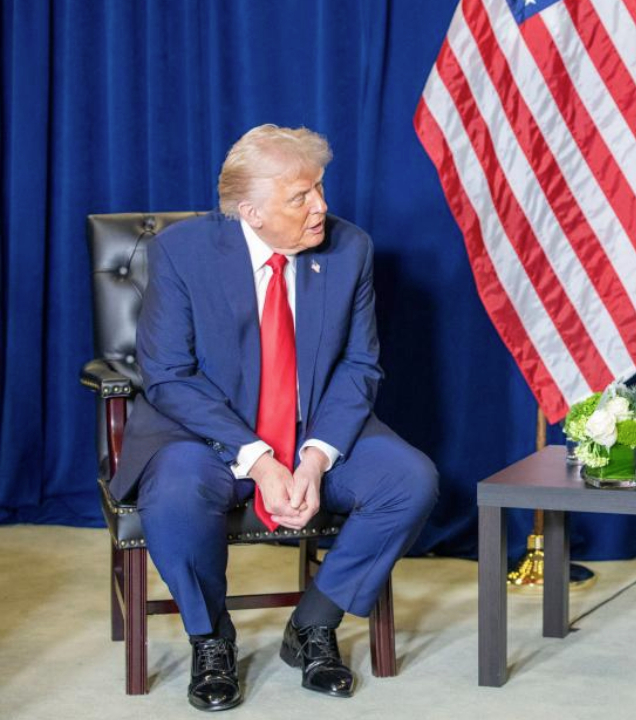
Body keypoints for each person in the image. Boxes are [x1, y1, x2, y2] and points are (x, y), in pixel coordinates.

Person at [111, 125, 439, 711]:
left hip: (312, 423)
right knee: (177, 494)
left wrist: (314, 457)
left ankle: (314, 623)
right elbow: (168, 376)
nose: (322, 207)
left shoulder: (349, 248)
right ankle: (210, 638)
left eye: (318, 188)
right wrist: (259, 460)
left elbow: (360, 365)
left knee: (409, 479)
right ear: (251, 212)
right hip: (207, 434)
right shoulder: (181, 253)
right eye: (301, 196)